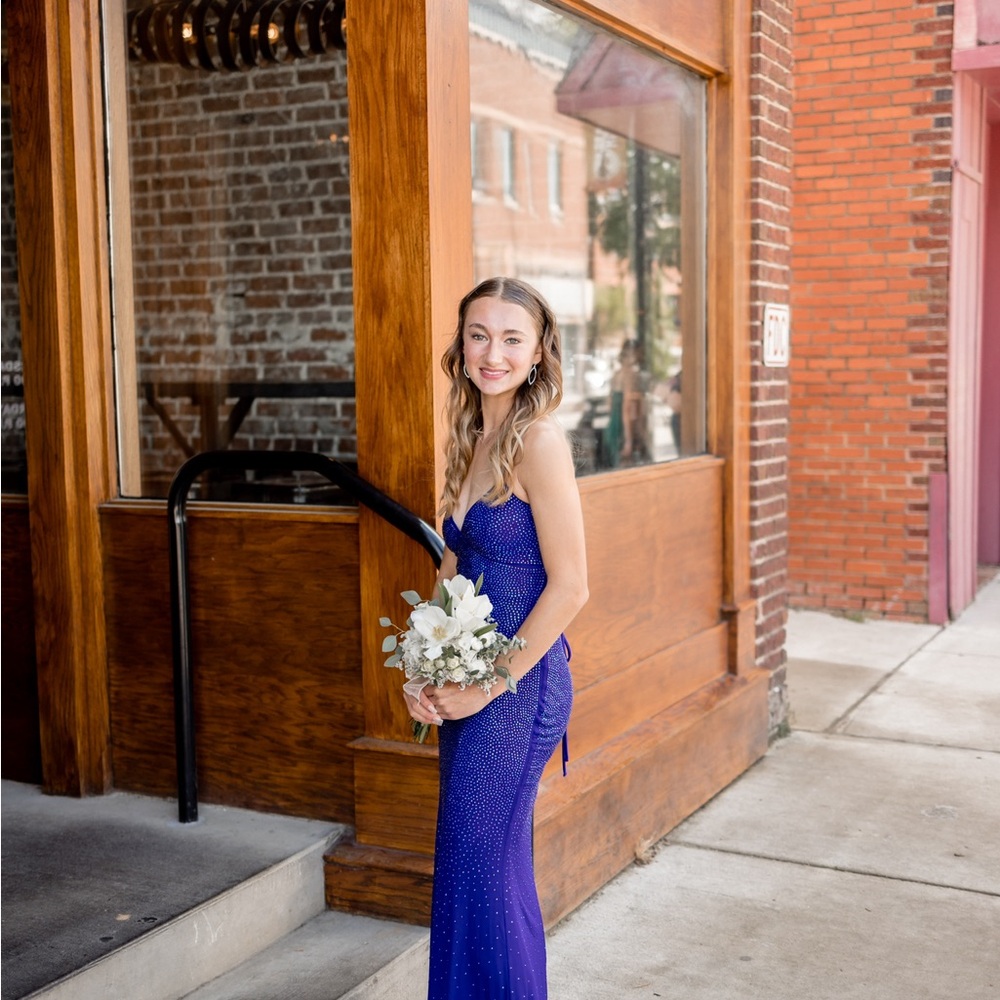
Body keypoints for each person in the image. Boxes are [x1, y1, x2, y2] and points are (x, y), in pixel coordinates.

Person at [404, 276, 589, 1000]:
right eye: (479, 335)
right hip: (470, 684)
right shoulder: (471, 437)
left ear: (539, 352)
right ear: (462, 344)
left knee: (483, 869)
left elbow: (571, 587)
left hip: (519, 688)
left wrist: (485, 686)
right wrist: (422, 671)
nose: (493, 353)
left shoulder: (539, 443)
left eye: (513, 338)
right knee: (470, 869)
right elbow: (452, 570)